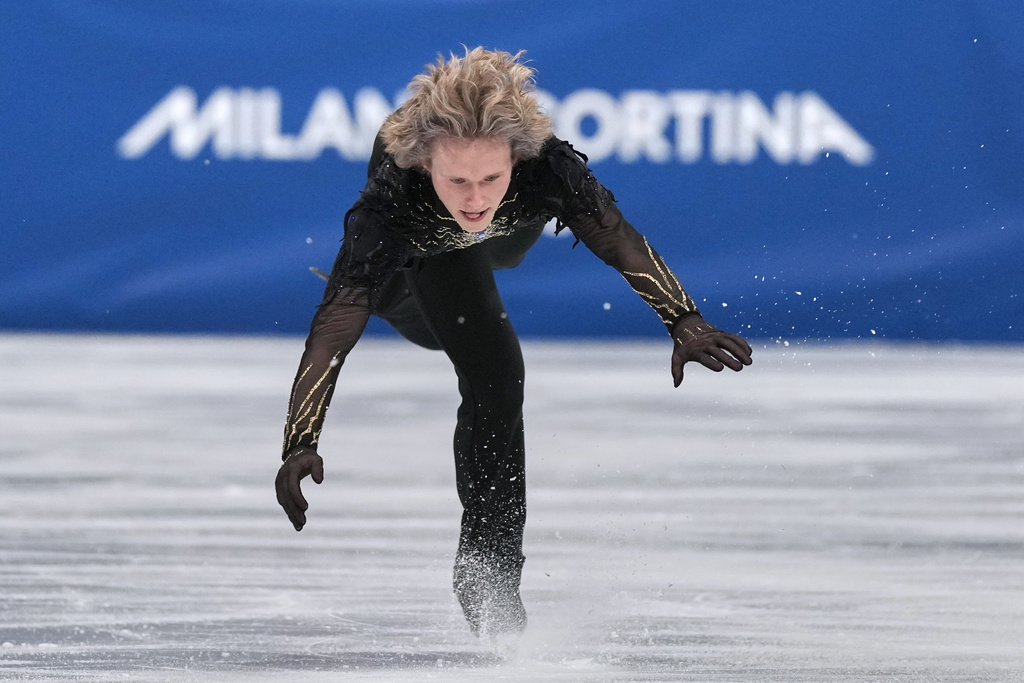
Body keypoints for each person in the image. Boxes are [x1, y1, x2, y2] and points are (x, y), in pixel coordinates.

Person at [275, 47, 753, 638]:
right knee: (496, 375)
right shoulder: (395, 197)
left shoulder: (546, 168)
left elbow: (617, 239)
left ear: (516, 160)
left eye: (490, 178)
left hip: (507, 235)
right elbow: (333, 329)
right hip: (430, 249)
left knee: (497, 253)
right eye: (457, 180)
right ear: (425, 165)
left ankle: (490, 563)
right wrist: (300, 440)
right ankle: (488, 570)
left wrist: (684, 320)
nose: (475, 198)